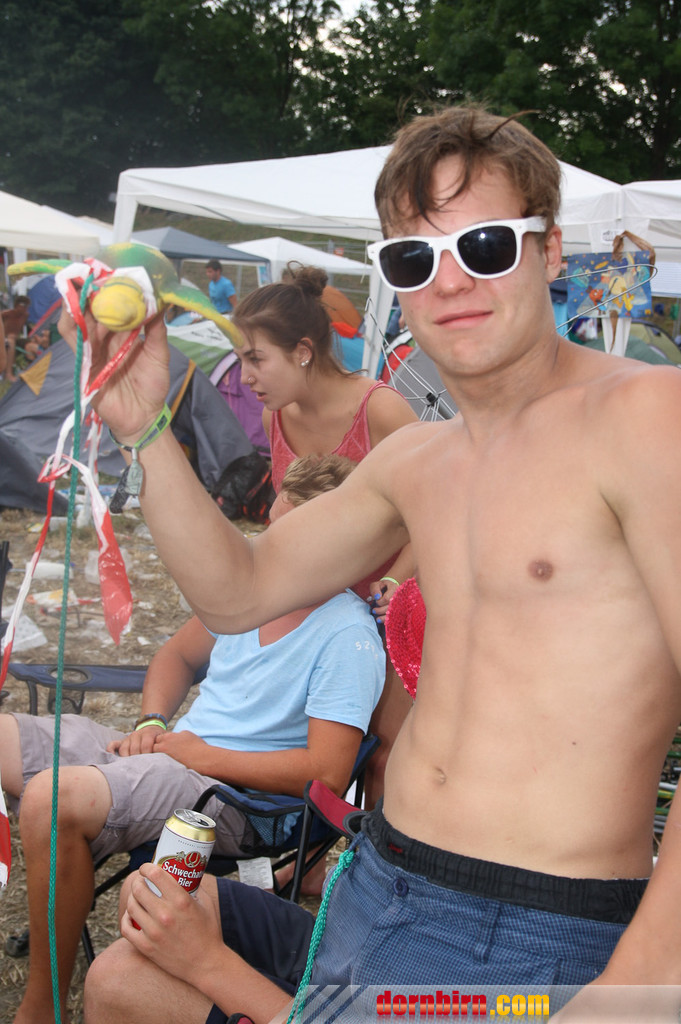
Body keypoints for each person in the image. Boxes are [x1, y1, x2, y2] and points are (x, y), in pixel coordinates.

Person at [66, 103, 681, 1023]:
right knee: (120, 983)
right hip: (375, 871)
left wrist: (640, 982)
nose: (450, 281)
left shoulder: (646, 417)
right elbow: (238, 592)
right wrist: (146, 428)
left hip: (526, 924)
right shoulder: (416, 459)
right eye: (413, 259)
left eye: (484, 246)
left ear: (550, 251)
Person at [0, 453, 385, 1024]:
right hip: (173, 754)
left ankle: (41, 1007)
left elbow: (325, 772)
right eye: (270, 525)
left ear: (334, 545)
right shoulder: (253, 595)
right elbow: (176, 656)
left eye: (286, 534)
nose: (266, 544)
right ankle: (64, 873)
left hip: (230, 798)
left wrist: (199, 754)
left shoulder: (346, 636)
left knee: (50, 800)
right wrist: (153, 724)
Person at [232, 264, 418, 810]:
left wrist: (394, 579)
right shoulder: (277, 415)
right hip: (317, 608)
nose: (245, 377)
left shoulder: (379, 409)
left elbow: (437, 511)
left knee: (382, 754)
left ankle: (372, 854)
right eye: (242, 359)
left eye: (256, 359)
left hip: (388, 603)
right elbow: (290, 517)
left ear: (303, 351)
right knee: (304, 746)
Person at [1, 295, 30, 381]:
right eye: (23, 305)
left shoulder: (25, 315)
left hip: (16, 339)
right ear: (17, 305)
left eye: (27, 306)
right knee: (10, 341)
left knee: (31, 344)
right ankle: (8, 374)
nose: (25, 308)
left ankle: (29, 372)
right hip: (5, 338)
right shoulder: (8, 313)